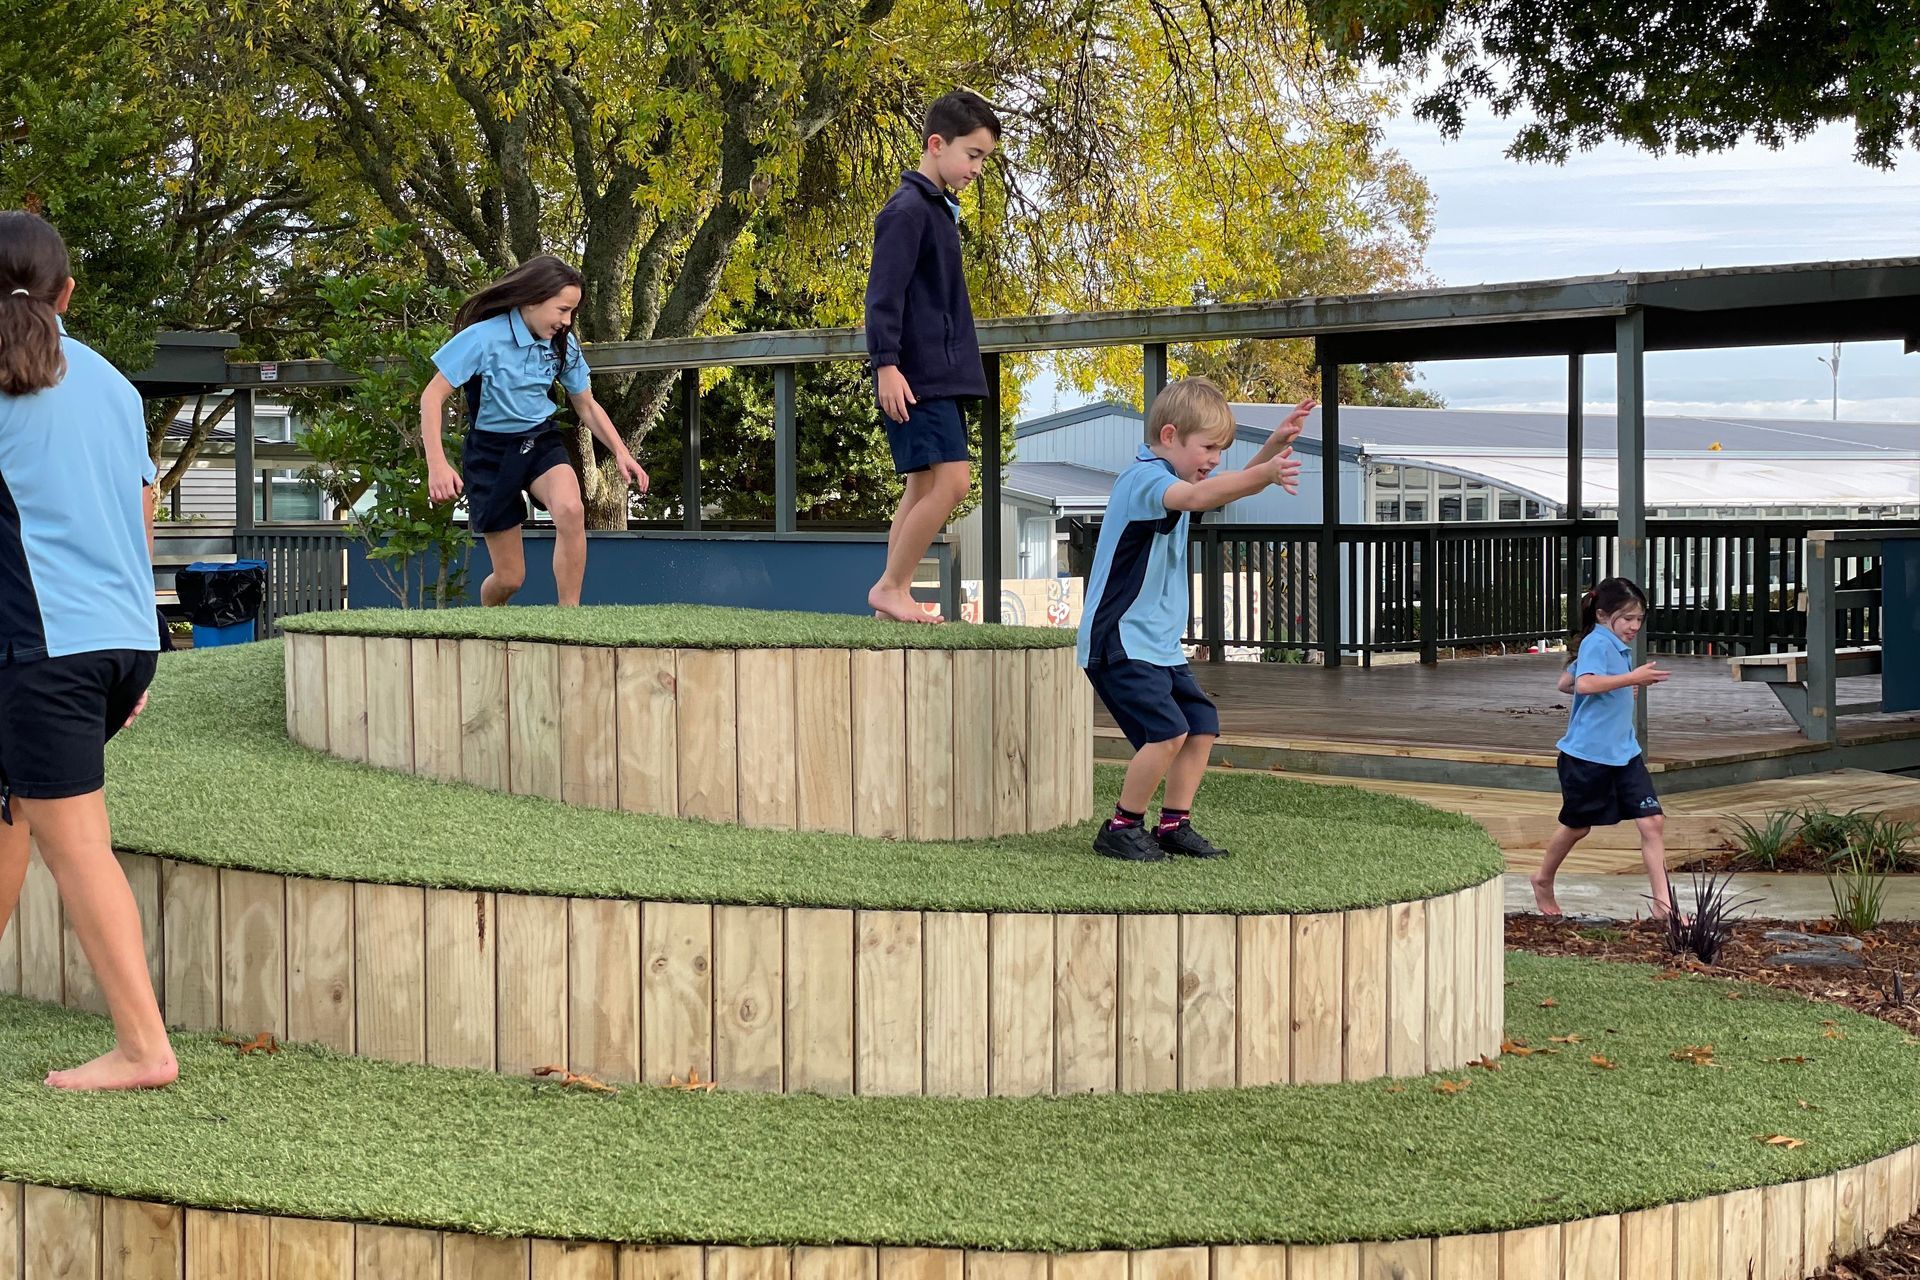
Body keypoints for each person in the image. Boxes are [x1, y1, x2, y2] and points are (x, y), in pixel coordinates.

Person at [0, 210, 176, 1090]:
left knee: (76, 848)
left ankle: (145, 1050)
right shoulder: (113, 383)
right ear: (67, 292)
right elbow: (139, 519)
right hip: (117, 640)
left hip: (40, 649)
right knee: (13, 814)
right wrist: (139, 641)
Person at [1078, 378, 1311, 861]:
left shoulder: (1176, 482)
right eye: (1208, 448)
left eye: (1220, 450)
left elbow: (1214, 494)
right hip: (1118, 639)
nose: (1214, 460)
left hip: (1156, 643)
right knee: (1167, 732)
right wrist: (1266, 472)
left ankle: (1172, 825)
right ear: (1169, 436)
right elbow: (1202, 498)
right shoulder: (1144, 480)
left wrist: (1272, 447)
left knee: (1200, 723)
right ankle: (1121, 826)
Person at [422, 255, 648, 606]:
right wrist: (437, 464)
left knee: (571, 509)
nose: (567, 321)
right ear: (531, 300)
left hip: (539, 440)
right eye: (561, 310)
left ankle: (568, 618)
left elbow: (585, 404)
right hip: (491, 454)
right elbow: (431, 396)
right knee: (510, 579)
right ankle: (488, 620)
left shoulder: (563, 343)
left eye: (572, 312)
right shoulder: (482, 338)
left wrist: (622, 451)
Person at [863, 89, 1001, 623]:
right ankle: (893, 587)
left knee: (922, 484)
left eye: (983, 159)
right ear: (936, 144)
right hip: (916, 375)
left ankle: (887, 598)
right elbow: (883, 295)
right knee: (954, 481)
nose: (977, 168)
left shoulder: (936, 210)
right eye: (972, 155)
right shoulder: (907, 211)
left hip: (935, 373)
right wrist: (887, 365)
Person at [1531, 577, 1677, 920]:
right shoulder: (1598, 643)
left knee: (1652, 822)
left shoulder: (1609, 645)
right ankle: (1542, 879)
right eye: (1626, 619)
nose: (1634, 626)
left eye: (1639, 619)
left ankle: (1663, 906)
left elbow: (1565, 683)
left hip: (1624, 753)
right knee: (1578, 826)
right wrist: (1630, 681)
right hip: (1586, 757)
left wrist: (1620, 690)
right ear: (1601, 615)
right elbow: (1584, 683)